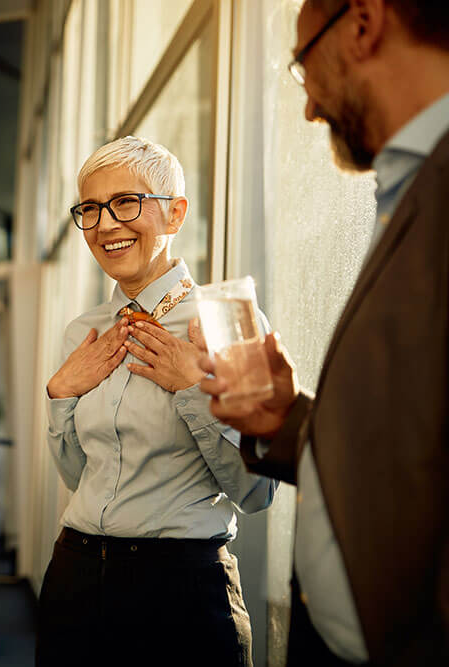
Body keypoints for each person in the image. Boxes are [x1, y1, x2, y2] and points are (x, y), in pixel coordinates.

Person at [199, 1, 449, 664]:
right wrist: (289, 419)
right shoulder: (408, 189)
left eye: (303, 63)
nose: (309, 107)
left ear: (362, 23)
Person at [37, 136, 277, 666]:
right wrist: (59, 395)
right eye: (90, 209)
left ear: (175, 213)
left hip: (182, 589)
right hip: (75, 576)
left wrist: (193, 388)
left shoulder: (229, 320)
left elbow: (258, 491)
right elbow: (78, 476)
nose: (104, 225)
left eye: (126, 202)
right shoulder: (84, 331)